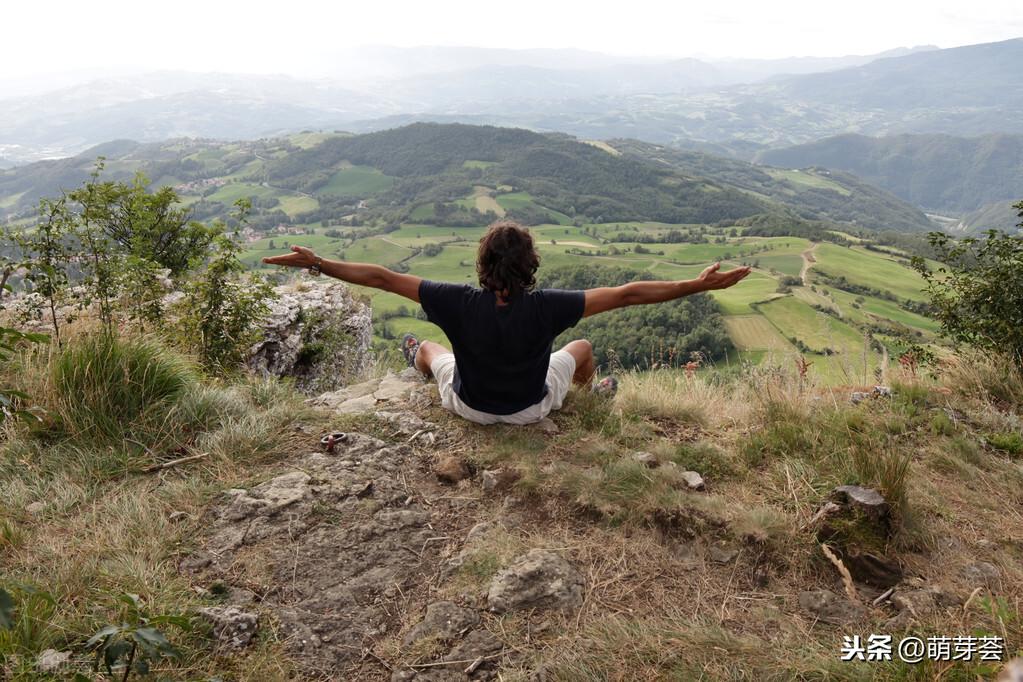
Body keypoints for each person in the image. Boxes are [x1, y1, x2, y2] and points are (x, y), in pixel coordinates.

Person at [262, 220, 750, 425]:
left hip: (468, 407)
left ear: (481, 263)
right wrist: (696, 285)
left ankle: (416, 354)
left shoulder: (452, 300)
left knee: (434, 350)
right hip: (529, 410)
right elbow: (627, 294)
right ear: (531, 265)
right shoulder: (551, 306)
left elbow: (382, 277)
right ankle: (589, 394)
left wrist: (318, 262)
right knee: (579, 347)